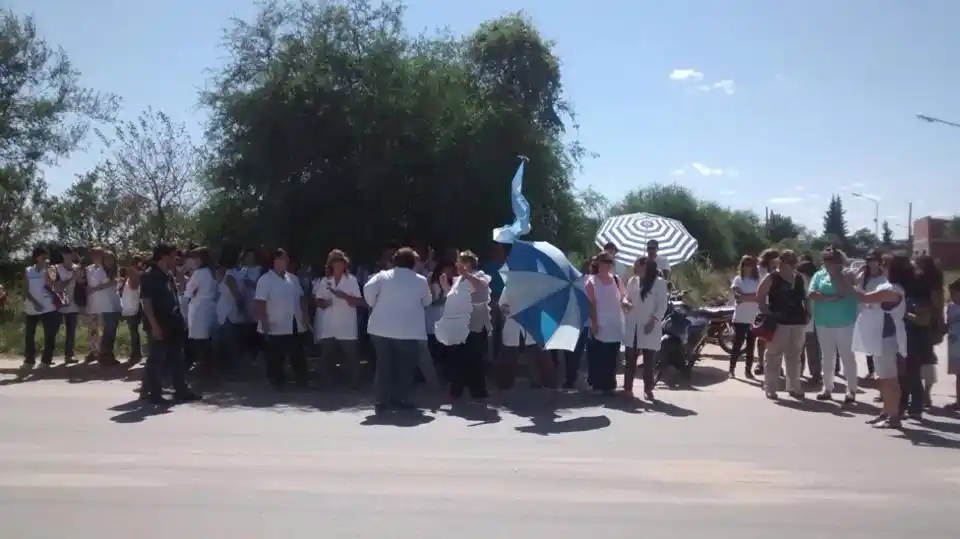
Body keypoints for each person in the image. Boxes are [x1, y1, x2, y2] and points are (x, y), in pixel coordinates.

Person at [364, 247, 432, 412]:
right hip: (408, 332)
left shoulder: (381, 277)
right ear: (413, 263)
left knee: (383, 366)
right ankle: (400, 399)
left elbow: (368, 292)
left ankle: (382, 401)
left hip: (380, 329)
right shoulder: (420, 280)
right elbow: (427, 301)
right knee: (405, 368)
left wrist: (374, 304)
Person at [853, 254, 911, 428]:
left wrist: (846, 282)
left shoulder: (893, 289)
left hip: (890, 339)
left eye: (885, 264)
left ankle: (894, 417)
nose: (881, 266)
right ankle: (886, 412)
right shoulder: (887, 285)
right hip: (881, 338)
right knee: (884, 378)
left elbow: (864, 298)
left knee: (890, 380)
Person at [139, 244, 200, 404]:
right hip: (159, 323)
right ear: (164, 256)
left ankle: (181, 390)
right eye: (173, 256)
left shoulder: (168, 275)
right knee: (157, 359)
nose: (176, 259)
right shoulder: (149, 275)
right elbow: (146, 302)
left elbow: (174, 296)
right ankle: (153, 393)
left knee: (177, 358)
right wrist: (154, 325)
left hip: (173, 322)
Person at [254, 248, 312, 389]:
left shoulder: (293, 278)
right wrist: (264, 322)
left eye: (285, 258)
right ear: (274, 261)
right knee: (275, 356)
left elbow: (301, 298)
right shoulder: (265, 280)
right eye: (280, 258)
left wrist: (305, 317)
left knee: (297, 353)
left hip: (294, 322)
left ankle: (302, 380)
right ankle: (277, 381)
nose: (284, 261)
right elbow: (260, 302)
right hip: (275, 323)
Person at [808, 247, 859, 403]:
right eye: (826, 261)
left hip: (845, 321)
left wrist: (837, 278)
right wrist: (828, 298)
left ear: (839, 262)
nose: (829, 264)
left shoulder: (848, 275)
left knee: (847, 356)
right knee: (827, 356)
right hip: (823, 321)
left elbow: (848, 291)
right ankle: (827, 387)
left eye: (833, 261)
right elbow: (811, 293)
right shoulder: (819, 275)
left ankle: (851, 390)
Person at [755, 250, 808, 400]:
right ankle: (770, 388)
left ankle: (794, 387)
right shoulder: (772, 277)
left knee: (795, 356)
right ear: (781, 261)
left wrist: (808, 313)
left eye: (792, 261)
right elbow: (760, 296)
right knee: (773, 356)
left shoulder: (798, 278)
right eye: (787, 261)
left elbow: (805, 297)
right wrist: (767, 313)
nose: (790, 264)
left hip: (797, 321)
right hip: (778, 322)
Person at [315, 249, 365, 388]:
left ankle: (355, 385)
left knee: (351, 357)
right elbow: (318, 301)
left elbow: (359, 301)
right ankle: (326, 384)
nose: (338, 265)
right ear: (331, 265)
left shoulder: (351, 280)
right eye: (335, 262)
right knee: (326, 356)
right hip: (329, 324)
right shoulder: (325, 281)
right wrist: (324, 303)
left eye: (341, 262)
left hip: (346, 325)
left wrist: (344, 296)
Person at [622, 256, 668, 400]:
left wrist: (653, 321)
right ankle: (627, 388)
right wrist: (625, 303)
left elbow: (662, 305)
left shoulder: (659, 283)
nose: (634, 267)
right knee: (630, 358)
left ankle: (648, 389)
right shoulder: (633, 281)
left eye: (637, 265)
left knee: (648, 361)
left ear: (645, 267)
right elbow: (626, 297)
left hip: (649, 325)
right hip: (633, 324)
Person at [584, 252, 625, 394]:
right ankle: (597, 384)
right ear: (598, 263)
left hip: (615, 321)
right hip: (600, 321)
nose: (607, 265)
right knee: (598, 355)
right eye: (605, 262)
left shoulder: (616, 279)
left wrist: (626, 303)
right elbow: (591, 304)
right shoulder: (591, 281)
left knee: (612, 355)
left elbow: (623, 297)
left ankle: (609, 384)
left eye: (610, 262)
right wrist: (594, 322)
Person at [22, 247, 59, 368]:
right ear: (36, 257)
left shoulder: (50, 270)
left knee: (49, 335)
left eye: (47, 257)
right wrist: (35, 302)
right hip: (32, 308)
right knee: (29, 335)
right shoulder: (28, 271)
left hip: (48, 307)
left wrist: (49, 271)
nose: (45, 259)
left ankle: (46, 360)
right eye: (43, 256)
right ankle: (29, 359)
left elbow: (53, 285)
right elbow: (26, 291)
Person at [184, 247, 219, 374]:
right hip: (211, 305)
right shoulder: (213, 272)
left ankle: (202, 366)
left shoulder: (199, 273)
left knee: (198, 339)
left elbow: (188, 292)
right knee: (208, 337)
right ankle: (209, 365)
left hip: (199, 307)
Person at [729, 255, 760, 378]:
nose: (747, 267)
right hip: (740, 317)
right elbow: (737, 296)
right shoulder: (738, 280)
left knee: (751, 345)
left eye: (749, 264)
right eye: (745, 265)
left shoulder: (757, 281)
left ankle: (748, 370)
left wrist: (745, 297)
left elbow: (759, 297)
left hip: (753, 316)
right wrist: (751, 297)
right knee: (737, 344)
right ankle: (731, 369)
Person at [857, 250, 886, 379]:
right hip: (865, 312)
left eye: (874, 260)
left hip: (879, 312)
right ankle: (871, 370)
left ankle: (881, 371)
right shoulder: (864, 276)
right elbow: (858, 289)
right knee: (868, 344)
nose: (872, 263)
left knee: (879, 344)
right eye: (869, 260)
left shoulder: (884, 276)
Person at [753, 248, 780, 376]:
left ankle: (776, 365)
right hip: (763, 305)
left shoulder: (780, 271)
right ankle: (760, 363)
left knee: (777, 337)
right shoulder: (759, 271)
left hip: (777, 305)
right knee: (762, 336)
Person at [55, 246, 83, 365]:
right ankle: (48, 355)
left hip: (73, 303)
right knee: (53, 330)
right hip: (59, 304)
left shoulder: (77, 268)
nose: (67, 256)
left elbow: (82, 284)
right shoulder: (56, 268)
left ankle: (69, 354)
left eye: (70, 253)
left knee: (71, 331)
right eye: (65, 253)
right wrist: (72, 277)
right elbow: (57, 286)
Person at [119, 255, 145, 364]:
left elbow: (135, 286)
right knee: (134, 331)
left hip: (137, 306)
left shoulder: (138, 275)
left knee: (136, 331)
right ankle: (136, 353)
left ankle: (136, 354)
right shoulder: (130, 276)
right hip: (132, 306)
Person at [945, 278, 960, 411]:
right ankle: (958, 401)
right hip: (955, 344)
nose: (952, 296)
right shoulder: (951, 307)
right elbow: (947, 324)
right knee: (958, 374)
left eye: (955, 293)